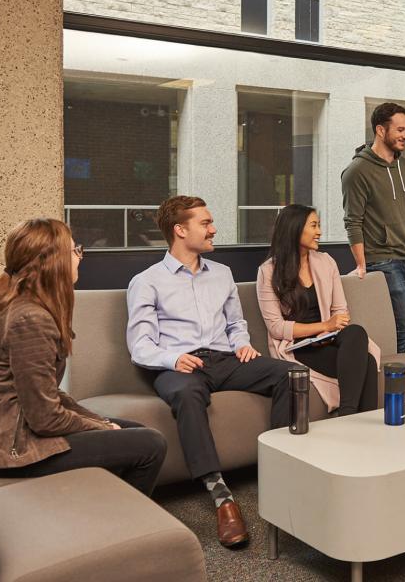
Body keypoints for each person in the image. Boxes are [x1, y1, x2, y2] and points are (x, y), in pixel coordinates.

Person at [126, 196, 292, 548]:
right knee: (187, 394)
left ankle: (281, 471)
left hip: (225, 360)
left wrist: (243, 342)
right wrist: (172, 359)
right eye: (205, 223)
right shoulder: (147, 281)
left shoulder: (222, 274)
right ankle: (222, 498)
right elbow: (140, 346)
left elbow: (235, 323)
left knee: (290, 375)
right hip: (180, 366)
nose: (213, 229)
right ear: (180, 230)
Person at [0, 219, 166, 496]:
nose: (80, 257)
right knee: (151, 445)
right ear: (52, 262)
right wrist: (101, 426)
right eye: (75, 251)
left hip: (21, 430)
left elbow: (49, 394)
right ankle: (120, 525)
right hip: (14, 447)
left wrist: (98, 421)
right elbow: (45, 418)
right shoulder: (30, 319)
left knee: (134, 430)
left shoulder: (29, 307)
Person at [256, 205, 381, 416]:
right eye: (313, 225)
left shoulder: (326, 262)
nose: (319, 232)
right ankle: (355, 421)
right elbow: (276, 328)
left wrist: (329, 331)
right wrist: (322, 327)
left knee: (355, 332)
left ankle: (348, 416)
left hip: (329, 338)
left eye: (319, 225)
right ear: (294, 229)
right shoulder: (268, 272)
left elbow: (340, 310)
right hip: (299, 347)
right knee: (366, 362)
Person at [342, 102, 405, 354]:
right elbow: (353, 221)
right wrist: (362, 264)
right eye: (399, 130)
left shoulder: (403, 165)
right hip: (383, 261)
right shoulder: (357, 171)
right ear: (380, 130)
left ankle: (389, 377)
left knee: (398, 327)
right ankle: (386, 375)